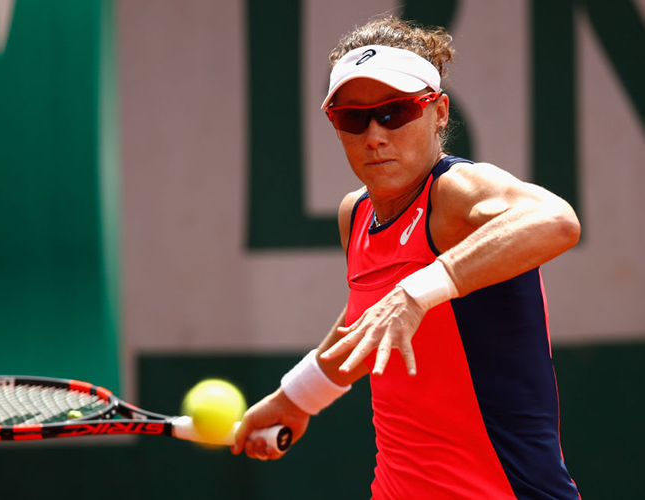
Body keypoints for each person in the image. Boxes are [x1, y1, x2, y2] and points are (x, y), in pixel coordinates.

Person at [231, 15, 582, 500]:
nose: (375, 135)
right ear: (335, 126)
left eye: (395, 112)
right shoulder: (355, 214)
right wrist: (296, 399)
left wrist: (419, 291)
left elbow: (556, 221)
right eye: (354, 117)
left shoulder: (455, 192)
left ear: (438, 112)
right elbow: (369, 323)